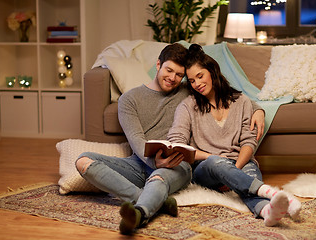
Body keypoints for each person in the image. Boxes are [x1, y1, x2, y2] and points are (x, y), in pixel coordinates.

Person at [75, 43, 265, 235]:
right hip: (140, 162)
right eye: (169, 70)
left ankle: (141, 212)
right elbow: (137, 141)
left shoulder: (187, 90)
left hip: (176, 163)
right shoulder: (129, 99)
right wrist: (153, 161)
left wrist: (258, 110)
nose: (172, 78)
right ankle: (153, 200)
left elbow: (224, 92)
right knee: (83, 160)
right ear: (158, 65)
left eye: (178, 75)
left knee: (160, 175)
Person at [167, 44, 301, 227]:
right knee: (216, 162)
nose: (197, 84)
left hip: (240, 162)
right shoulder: (187, 106)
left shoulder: (242, 102)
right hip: (206, 168)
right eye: (191, 81)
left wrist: (233, 171)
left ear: (212, 71)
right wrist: (213, 159)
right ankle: (271, 193)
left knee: (250, 173)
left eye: (200, 76)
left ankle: (266, 210)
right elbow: (178, 145)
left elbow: (249, 142)